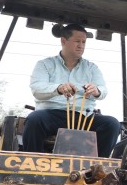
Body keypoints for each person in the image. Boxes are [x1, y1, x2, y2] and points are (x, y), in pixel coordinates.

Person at [24, 23, 121, 157]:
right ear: (63, 41)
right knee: (34, 120)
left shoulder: (91, 68)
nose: (81, 45)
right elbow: (37, 89)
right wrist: (58, 88)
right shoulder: (45, 64)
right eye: (77, 41)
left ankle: (97, 168)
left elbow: (103, 90)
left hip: (84, 116)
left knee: (112, 124)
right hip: (52, 114)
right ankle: (33, 164)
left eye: (83, 42)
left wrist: (96, 90)